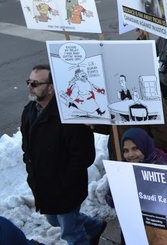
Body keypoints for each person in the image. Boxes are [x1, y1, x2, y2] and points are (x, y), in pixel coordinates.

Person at [21, 64, 107, 245]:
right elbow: (26, 146)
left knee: (71, 233)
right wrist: (29, 167)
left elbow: (84, 155)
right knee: (53, 219)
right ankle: (94, 227)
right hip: (43, 185)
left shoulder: (70, 114)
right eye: (29, 82)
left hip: (66, 187)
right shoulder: (29, 111)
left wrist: (66, 180)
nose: (30, 86)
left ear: (51, 87)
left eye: (35, 83)